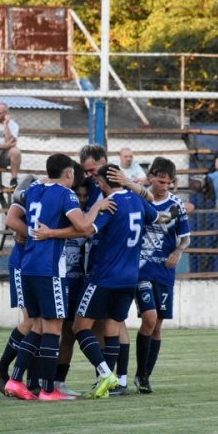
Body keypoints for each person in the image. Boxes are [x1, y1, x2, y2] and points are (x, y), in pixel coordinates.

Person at [2, 154, 105, 401]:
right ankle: (48, 390)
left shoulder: (34, 189)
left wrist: (46, 233)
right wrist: (97, 207)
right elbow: (82, 226)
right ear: (68, 173)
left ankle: (16, 380)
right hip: (50, 270)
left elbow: (17, 215)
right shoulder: (65, 194)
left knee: (37, 325)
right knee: (54, 327)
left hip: (27, 266)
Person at [71, 164, 159, 399]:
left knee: (79, 327)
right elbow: (157, 215)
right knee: (112, 326)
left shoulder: (110, 205)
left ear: (102, 183)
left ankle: (105, 372)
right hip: (130, 278)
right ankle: (109, 382)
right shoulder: (137, 199)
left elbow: (87, 229)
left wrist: (51, 233)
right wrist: (134, 187)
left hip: (104, 277)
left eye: (98, 183)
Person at [134, 157, 190, 394]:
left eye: (168, 183)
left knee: (157, 326)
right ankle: (139, 373)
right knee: (149, 318)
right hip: (141, 269)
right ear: (150, 178)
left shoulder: (177, 205)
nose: (164, 186)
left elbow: (185, 237)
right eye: (160, 181)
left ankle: (144, 376)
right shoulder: (139, 199)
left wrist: (178, 250)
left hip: (164, 272)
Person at [0, 174, 38, 395]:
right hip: (21, 264)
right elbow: (11, 220)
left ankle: (31, 377)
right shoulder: (27, 193)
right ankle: (2, 368)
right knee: (30, 321)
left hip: (35, 265)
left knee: (38, 322)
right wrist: (31, 234)